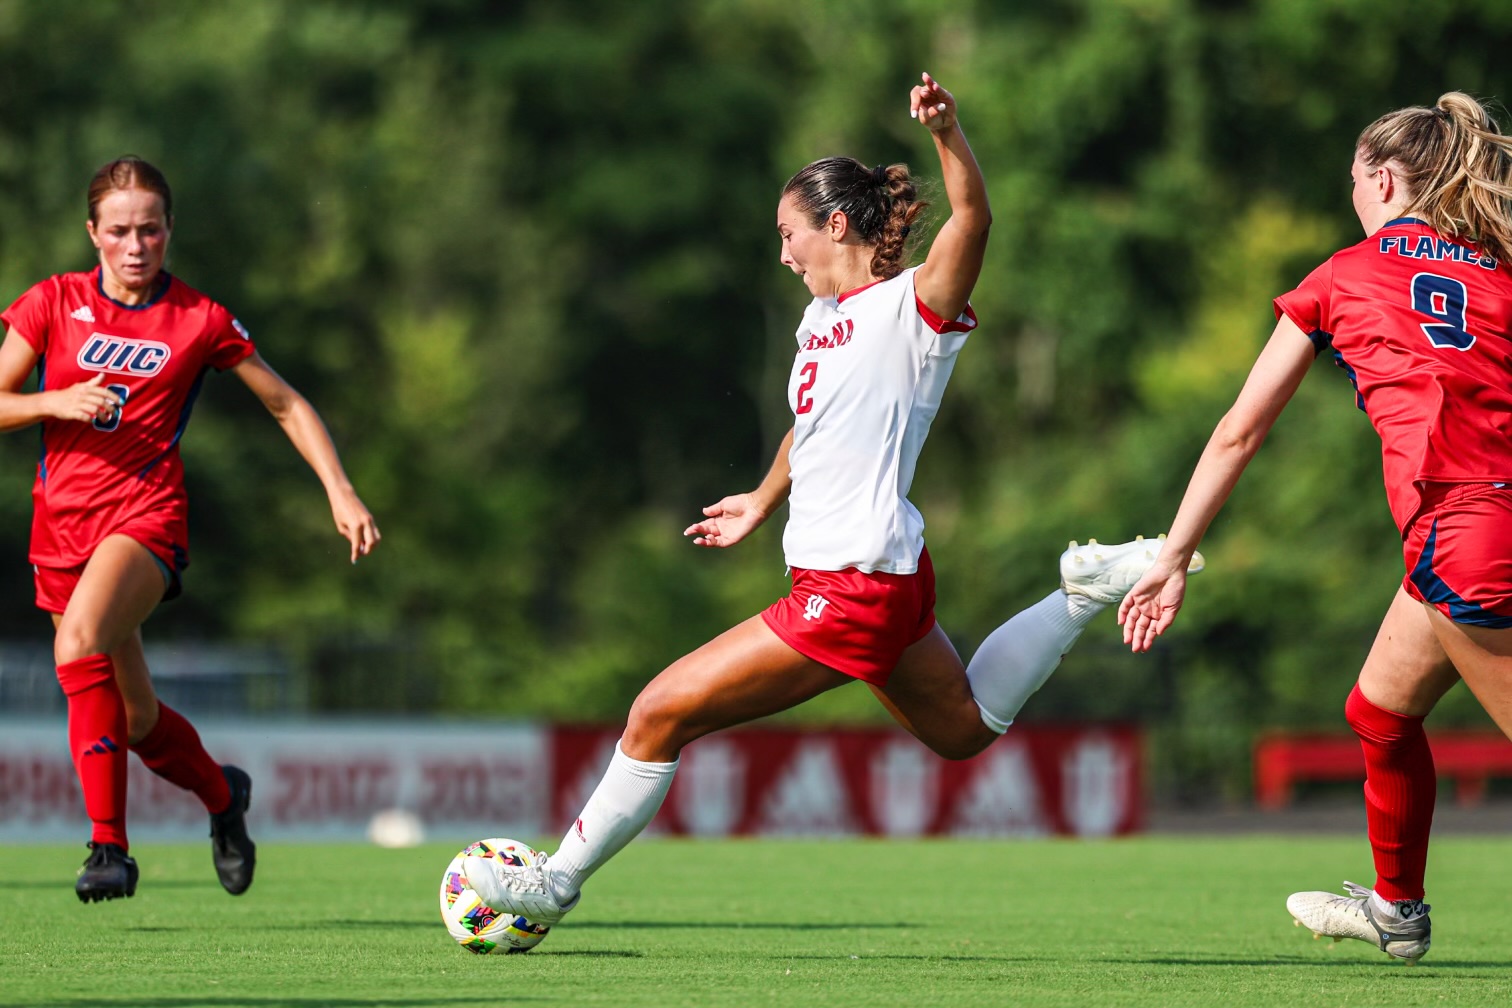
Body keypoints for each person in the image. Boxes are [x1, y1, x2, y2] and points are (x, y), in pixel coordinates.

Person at [465, 73, 1202, 924]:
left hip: (852, 586)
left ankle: (555, 884)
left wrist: (947, 133)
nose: (783, 254)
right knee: (963, 730)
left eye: (790, 234)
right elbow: (807, 428)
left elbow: (975, 221)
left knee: (658, 710)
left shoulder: (913, 308)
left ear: (836, 225)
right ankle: (1080, 590)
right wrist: (761, 498)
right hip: (875, 574)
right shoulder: (819, 323)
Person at [1118, 93, 1512, 964]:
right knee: (1377, 709)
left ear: (1379, 178)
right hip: (1474, 531)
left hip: (1467, 531)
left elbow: (1240, 429)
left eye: (1353, 183)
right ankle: (1397, 910)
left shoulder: (1345, 274)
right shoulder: (1497, 275)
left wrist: (1174, 556)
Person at [0, 156, 381, 902]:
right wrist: (56, 402)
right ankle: (223, 799)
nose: (136, 245)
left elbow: (286, 404)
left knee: (77, 644)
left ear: (170, 230)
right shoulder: (52, 302)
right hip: (61, 528)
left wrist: (340, 490)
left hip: (145, 516)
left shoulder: (199, 320)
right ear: (93, 235)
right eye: (119, 231)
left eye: (150, 229)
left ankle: (109, 849)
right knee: (136, 719)